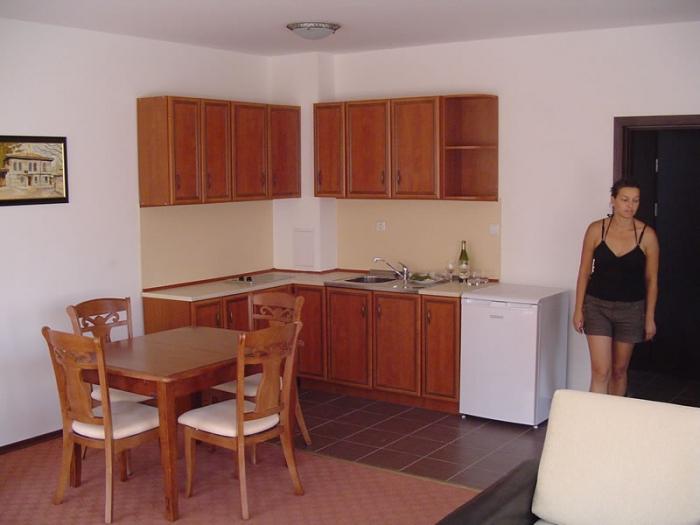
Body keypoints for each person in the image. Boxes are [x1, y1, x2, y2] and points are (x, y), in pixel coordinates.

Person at [573, 178, 659, 395]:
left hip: (631, 310)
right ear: (613, 201)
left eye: (635, 201)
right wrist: (578, 308)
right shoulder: (596, 230)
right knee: (601, 371)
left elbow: (652, 280)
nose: (630, 205)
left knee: (619, 371)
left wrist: (649, 318)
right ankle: (595, 423)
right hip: (596, 307)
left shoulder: (647, 235)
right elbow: (584, 272)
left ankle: (614, 423)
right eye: (624, 200)